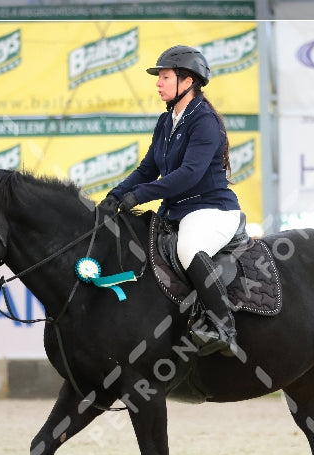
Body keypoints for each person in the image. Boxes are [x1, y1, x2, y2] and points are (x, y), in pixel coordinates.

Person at [101, 45, 242, 356]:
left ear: (187, 81)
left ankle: (224, 327)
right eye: (159, 77)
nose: (158, 83)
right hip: (177, 211)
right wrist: (115, 195)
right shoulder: (167, 121)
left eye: (164, 77)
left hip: (211, 210)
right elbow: (147, 169)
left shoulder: (204, 121)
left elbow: (189, 174)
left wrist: (139, 196)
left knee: (188, 248)